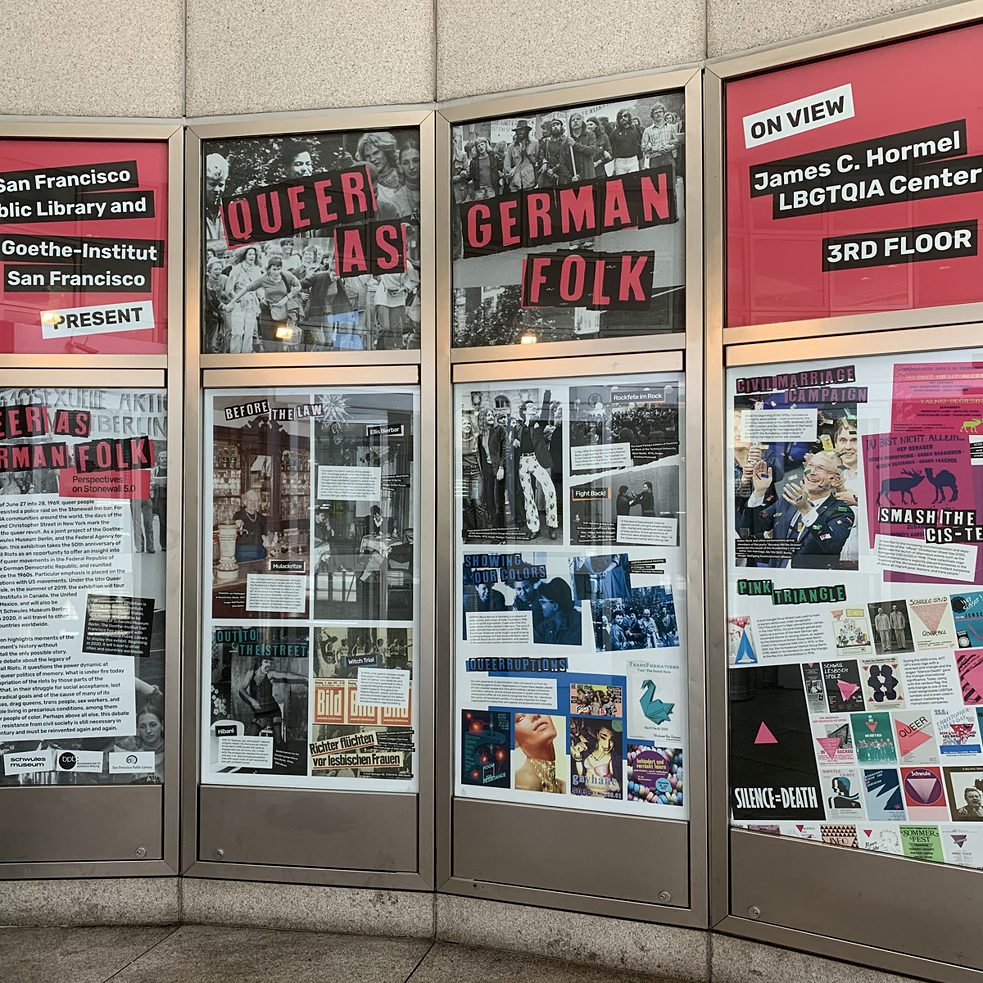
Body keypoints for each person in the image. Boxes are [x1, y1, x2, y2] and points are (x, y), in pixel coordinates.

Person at [744, 450, 855, 569]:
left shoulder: (841, 511)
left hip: (811, 583)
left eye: (820, 469)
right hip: (778, 578)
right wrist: (759, 492)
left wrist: (806, 510)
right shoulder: (787, 500)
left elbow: (831, 546)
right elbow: (751, 529)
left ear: (835, 480)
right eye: (810, 466)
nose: (812, 472)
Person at [512, 398, 558, 540]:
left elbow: (544, 412)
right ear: (524, 411)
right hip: (523, 462)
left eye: (534, 407)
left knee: (550, 490)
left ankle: (552, 525)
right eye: (530, 407)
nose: (533, 408)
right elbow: (513, 445)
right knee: (528, 496)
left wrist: (547, 396)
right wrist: (514, 442)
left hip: (536, 460)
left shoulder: (538, 423)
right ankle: (534, 528)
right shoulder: (518, 428)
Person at [239, 657, 307, 742]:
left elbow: (286, 675)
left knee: (278, 739)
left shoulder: (270, 674)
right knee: (251, 735)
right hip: (261, 711)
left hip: (273, 709)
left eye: (270, 663)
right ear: (259, 663)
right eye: (266, 662)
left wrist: (304, 677)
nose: (269, 665)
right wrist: (251, 700)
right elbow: (242, 689)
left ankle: (281, 754)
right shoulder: (250, 673)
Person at [222, 246, 263, 354]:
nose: (252, 257)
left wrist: (262, 298)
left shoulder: (257, 269)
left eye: (254, 254)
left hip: (252, 303)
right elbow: (229, 289)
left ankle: (246, 354)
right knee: (237, 332)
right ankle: (235, 355)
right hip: (239, 303)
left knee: (249, 332)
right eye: (249, 254)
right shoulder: (237, 269)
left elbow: (259, 288)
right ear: (244, 255)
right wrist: (236, 300)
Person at [513, 713, 565, 793]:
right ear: (513, 741)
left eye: (541, 709)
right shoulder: (526, 780)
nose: (535, 715)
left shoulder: (562, 785)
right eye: (520, 718)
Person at [478, 408, 507, 530]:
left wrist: (501, 467)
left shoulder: (499, 430)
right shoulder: (480, 434)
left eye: (491, 414)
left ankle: (500, 531)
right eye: (487, 415)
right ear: (482, 418)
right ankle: (495, 528)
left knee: (498, 501)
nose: (490, 417)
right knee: (489, 500)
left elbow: (506, 449)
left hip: (498, 469)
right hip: (487, 470)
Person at [571, 722, 620, 797]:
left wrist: (618, 786)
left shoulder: (615, 759)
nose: (607, 745)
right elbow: (580, 775)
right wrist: (578, 755)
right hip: (585, 796)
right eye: (603, 738)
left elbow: (620, 782)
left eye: (611, 740)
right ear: (597, 735)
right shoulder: (587, 750)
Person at [534, 578, 582, 646]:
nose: (540, 605)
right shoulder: (546, 625)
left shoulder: (577, 626)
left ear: (555, 606)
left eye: (543, 602)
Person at [641, 102, 682, 171]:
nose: (658, 114)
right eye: (655, 113)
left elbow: (677, 143)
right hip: (654, 160)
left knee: (671, 181)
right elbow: (643, 147)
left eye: (660, 111)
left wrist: (669, 147)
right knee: (656, 181)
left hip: (668, 158)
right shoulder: (647, 130)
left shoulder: (671, 127)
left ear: (663, 113)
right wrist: (656, 149)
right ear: (652, 115)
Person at [232, 490, 270, 562]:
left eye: (256, 501)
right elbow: (234, 530)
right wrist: (237, 526)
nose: (253, 503)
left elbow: (264, 536)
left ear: (259, 503)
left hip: (259, 553)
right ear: (245, 502)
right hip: (243, 554)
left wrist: (268, 544)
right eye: (250, 500)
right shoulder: (238, 515)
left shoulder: (261, 517)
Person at [503, 120, 540, 191]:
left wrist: (537, 180)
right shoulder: (511, 147)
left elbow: (538, 161)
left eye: (522, 130)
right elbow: (506, 164)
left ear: (527, 131)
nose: (520, 132)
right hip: (515, 183)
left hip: (529, 181)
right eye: (518, 130)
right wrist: (510, 173)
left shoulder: (534, 143)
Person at [538, 118, 574, 187]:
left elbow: (566, 159)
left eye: (558, 125)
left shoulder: (565, 141)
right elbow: (540, 155)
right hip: (548, 173)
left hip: (562, 172)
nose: (555, 127)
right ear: (550, 128)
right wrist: (544, 163)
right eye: (553, 125)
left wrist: (554, 170)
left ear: (561, 127)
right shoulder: (545, 142)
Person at [204, 153, 229, 243]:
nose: (217, 190)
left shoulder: (229, 212)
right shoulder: (191, 212)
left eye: (221, 185)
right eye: (212, 184)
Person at [609, 109, 642, 175]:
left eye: (625, 116)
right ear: (618, 120)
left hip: (633, 160)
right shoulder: (614, 133)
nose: (623, 118)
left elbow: (640, 142)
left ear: (629, 117)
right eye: (620, 117)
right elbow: (610, 145)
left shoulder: (635, 129)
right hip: (620, 162)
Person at [151, 450, 167, 551]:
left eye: (166, 458)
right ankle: (164, 544)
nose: (164, 460)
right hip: (160, 499)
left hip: (172, 499)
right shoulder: (155, 470)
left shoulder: (173, 469)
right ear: (159, 459)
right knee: (162, 522)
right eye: (162, 458)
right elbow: (151, 482)